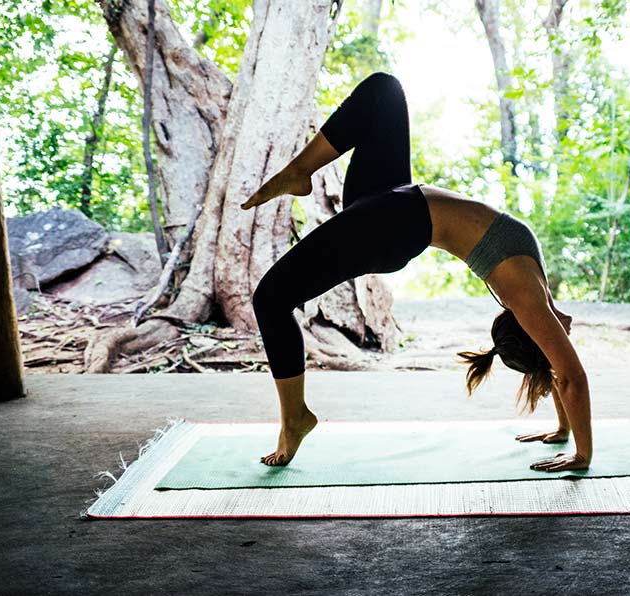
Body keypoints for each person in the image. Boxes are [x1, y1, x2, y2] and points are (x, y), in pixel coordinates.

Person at [241, 72, 591, 473]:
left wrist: (582, 455)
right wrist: (562, 429)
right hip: (390, 198)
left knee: (270, 299)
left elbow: (570, 377)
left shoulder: (523, 293)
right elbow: (556, 367)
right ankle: (299, 170)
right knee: (383, 91)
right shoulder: (537, 288)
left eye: (555, 336)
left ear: (534, 331)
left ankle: (295, 419)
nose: (568, 328)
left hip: (392, 225)